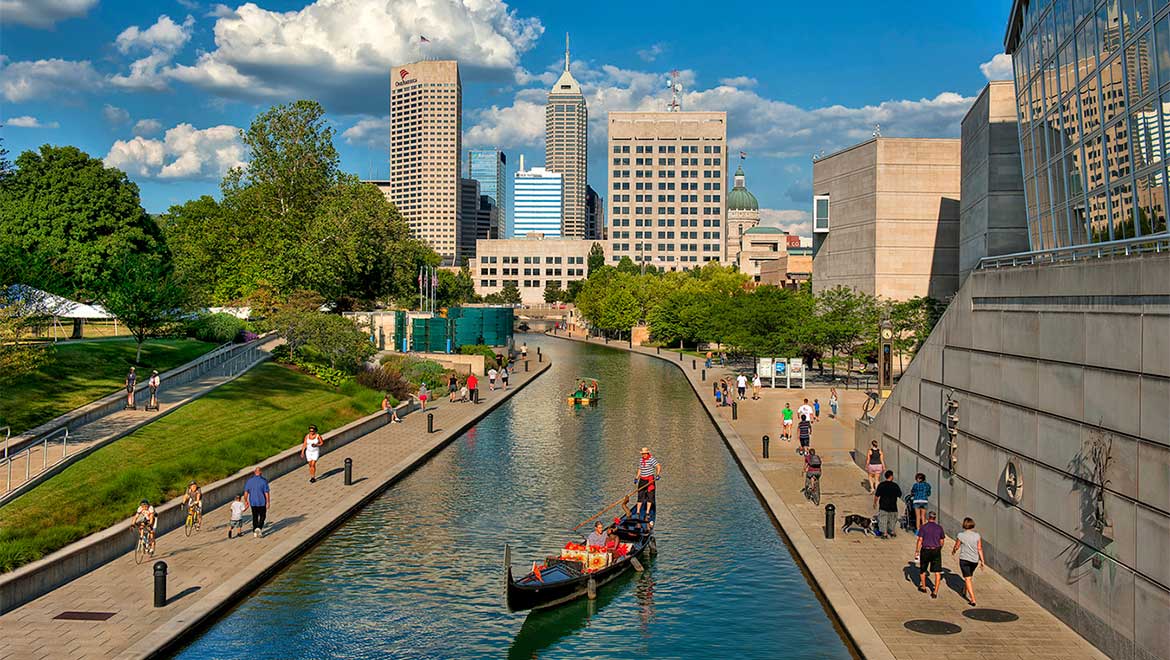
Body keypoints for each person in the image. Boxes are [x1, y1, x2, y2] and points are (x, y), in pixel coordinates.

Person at [952, 517, 986, 605]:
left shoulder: (960, 535)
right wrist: (982, 561)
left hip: (964, 559)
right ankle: (964, 590)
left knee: (967, 578)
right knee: (969, 577)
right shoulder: (977, 535)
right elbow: (979, 548)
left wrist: (954, 550)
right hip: (974, 560)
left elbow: (957, 546)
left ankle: (972, 599)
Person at [916, 511, 947, 598]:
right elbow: (942, 541)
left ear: (928, 517)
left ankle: (923, 587)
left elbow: (920, 540)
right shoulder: (939, 528)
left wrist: (917, 551)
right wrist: (939, 548)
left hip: (925, 550)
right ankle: (935, 592)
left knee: (923, 569)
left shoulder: (923, 527)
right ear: (935, 518)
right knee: (937, 571)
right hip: (936, 550)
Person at [633, 447, 662, 523]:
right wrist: (636, 478)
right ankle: (638, 512)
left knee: (650, 496)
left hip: (650, 480)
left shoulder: (651, 459)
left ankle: (647, 512)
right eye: (642, 454)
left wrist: (657, 474)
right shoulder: (641, 460)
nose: (643, 455)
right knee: (640, 495)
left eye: (644, 454)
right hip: (642, 480)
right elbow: (640, 469)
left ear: (647, 453)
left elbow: (658, 466)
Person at [873, 470, 902, 538]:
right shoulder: (895, 485)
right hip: (893, 505)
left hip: (883, 505)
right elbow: (899, 494)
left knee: (883, 519)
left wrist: (875, 503)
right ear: (891, 476)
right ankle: (891, 531)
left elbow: (877, 495)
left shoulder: (881, 485)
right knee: (892, 519)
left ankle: (884, 533)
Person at [243, 466, 270, 537]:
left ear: (254, 472)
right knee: (262, 516)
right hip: (261, 502)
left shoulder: (249, 481)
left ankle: (255, 530)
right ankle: (259, 528)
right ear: (261, 472)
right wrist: (268, 502)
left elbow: (245, 492)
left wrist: (246, 501)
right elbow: (266, 493)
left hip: (253, 502)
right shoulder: (264, 481)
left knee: (255, 516)